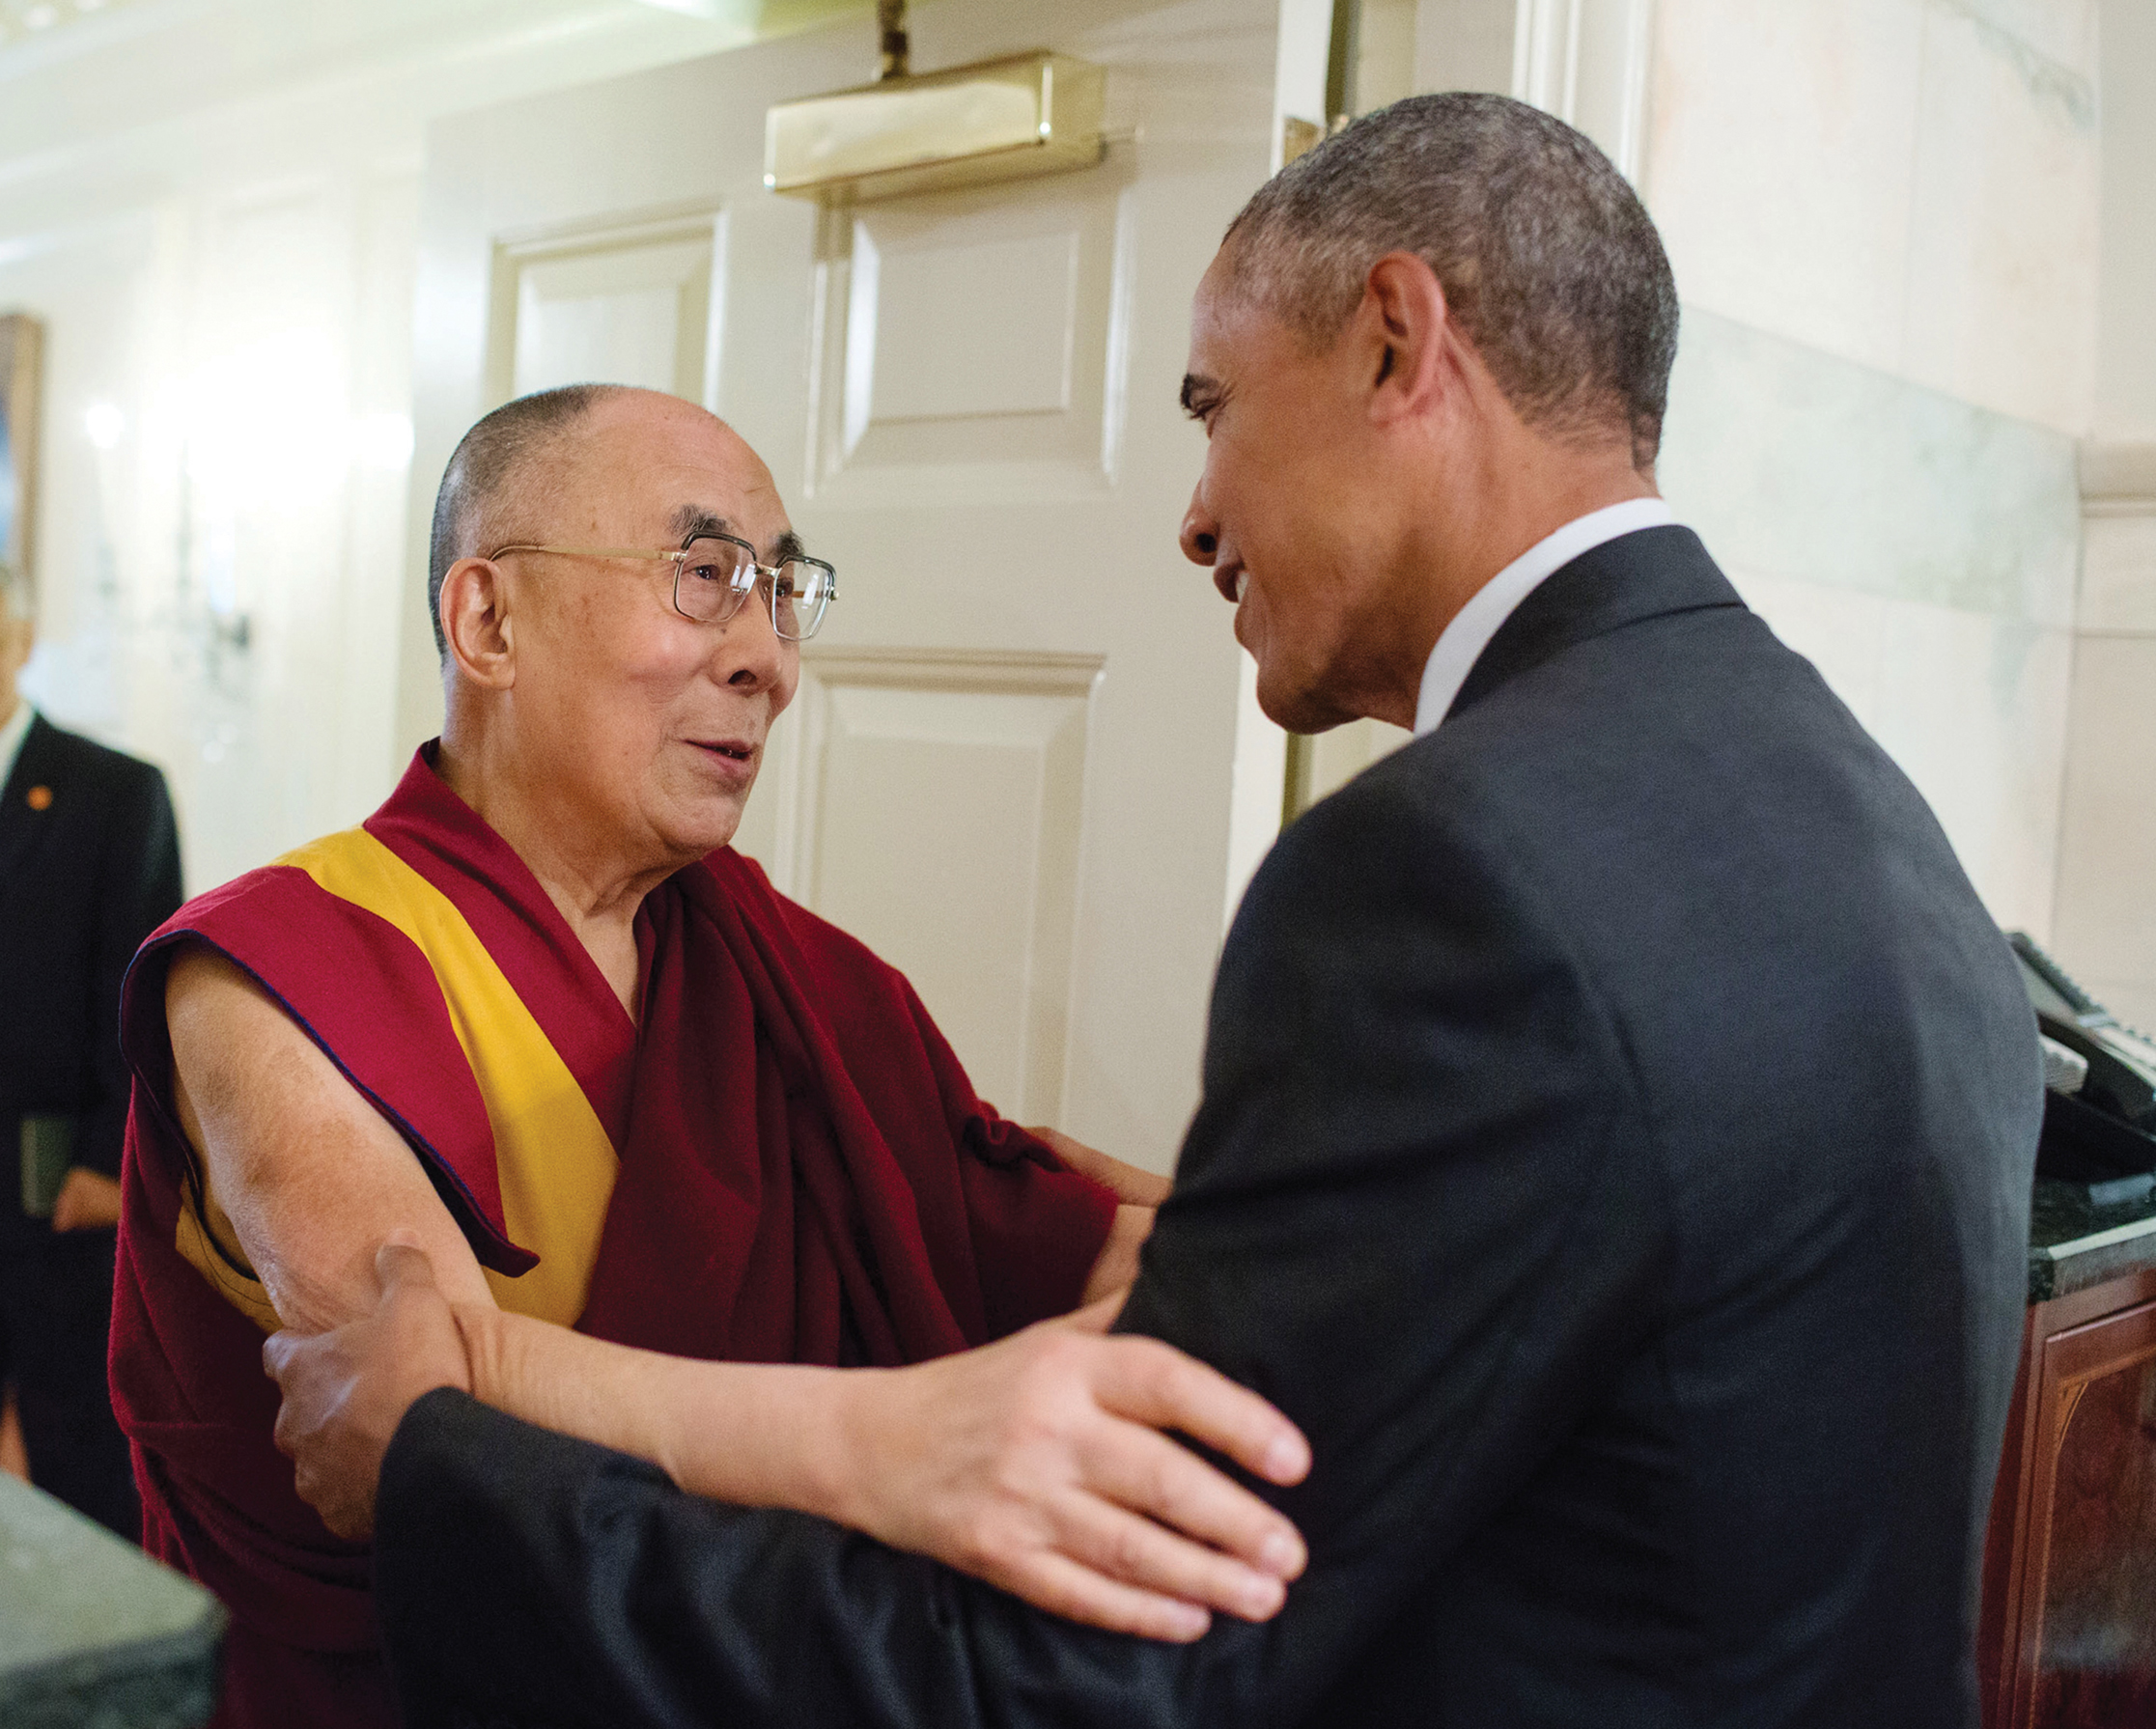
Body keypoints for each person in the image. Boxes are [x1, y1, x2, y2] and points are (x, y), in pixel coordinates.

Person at [271, 94, 2043, 1729]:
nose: (1193, 518)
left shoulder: (1450, 871)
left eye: (1209, 410)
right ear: (483, 622)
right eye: (698, 576)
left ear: (1393, 341)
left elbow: (1091, 1665)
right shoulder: (1863, 811)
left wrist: (454, 1459)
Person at [109, 384, 1310, 1729]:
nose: (769, 660)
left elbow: (1068, 1242)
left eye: (783, 589)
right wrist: (912, 1444)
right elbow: (431, 1423)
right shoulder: (271, 969)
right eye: (703, 576)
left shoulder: (808, 988)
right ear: (487, 620)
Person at [0, 563, 182, 1538]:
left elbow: (146, 993)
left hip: (52, 1185)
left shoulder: (112, 793)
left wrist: (112, 1160)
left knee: (74, 1457)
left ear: (21, 640)